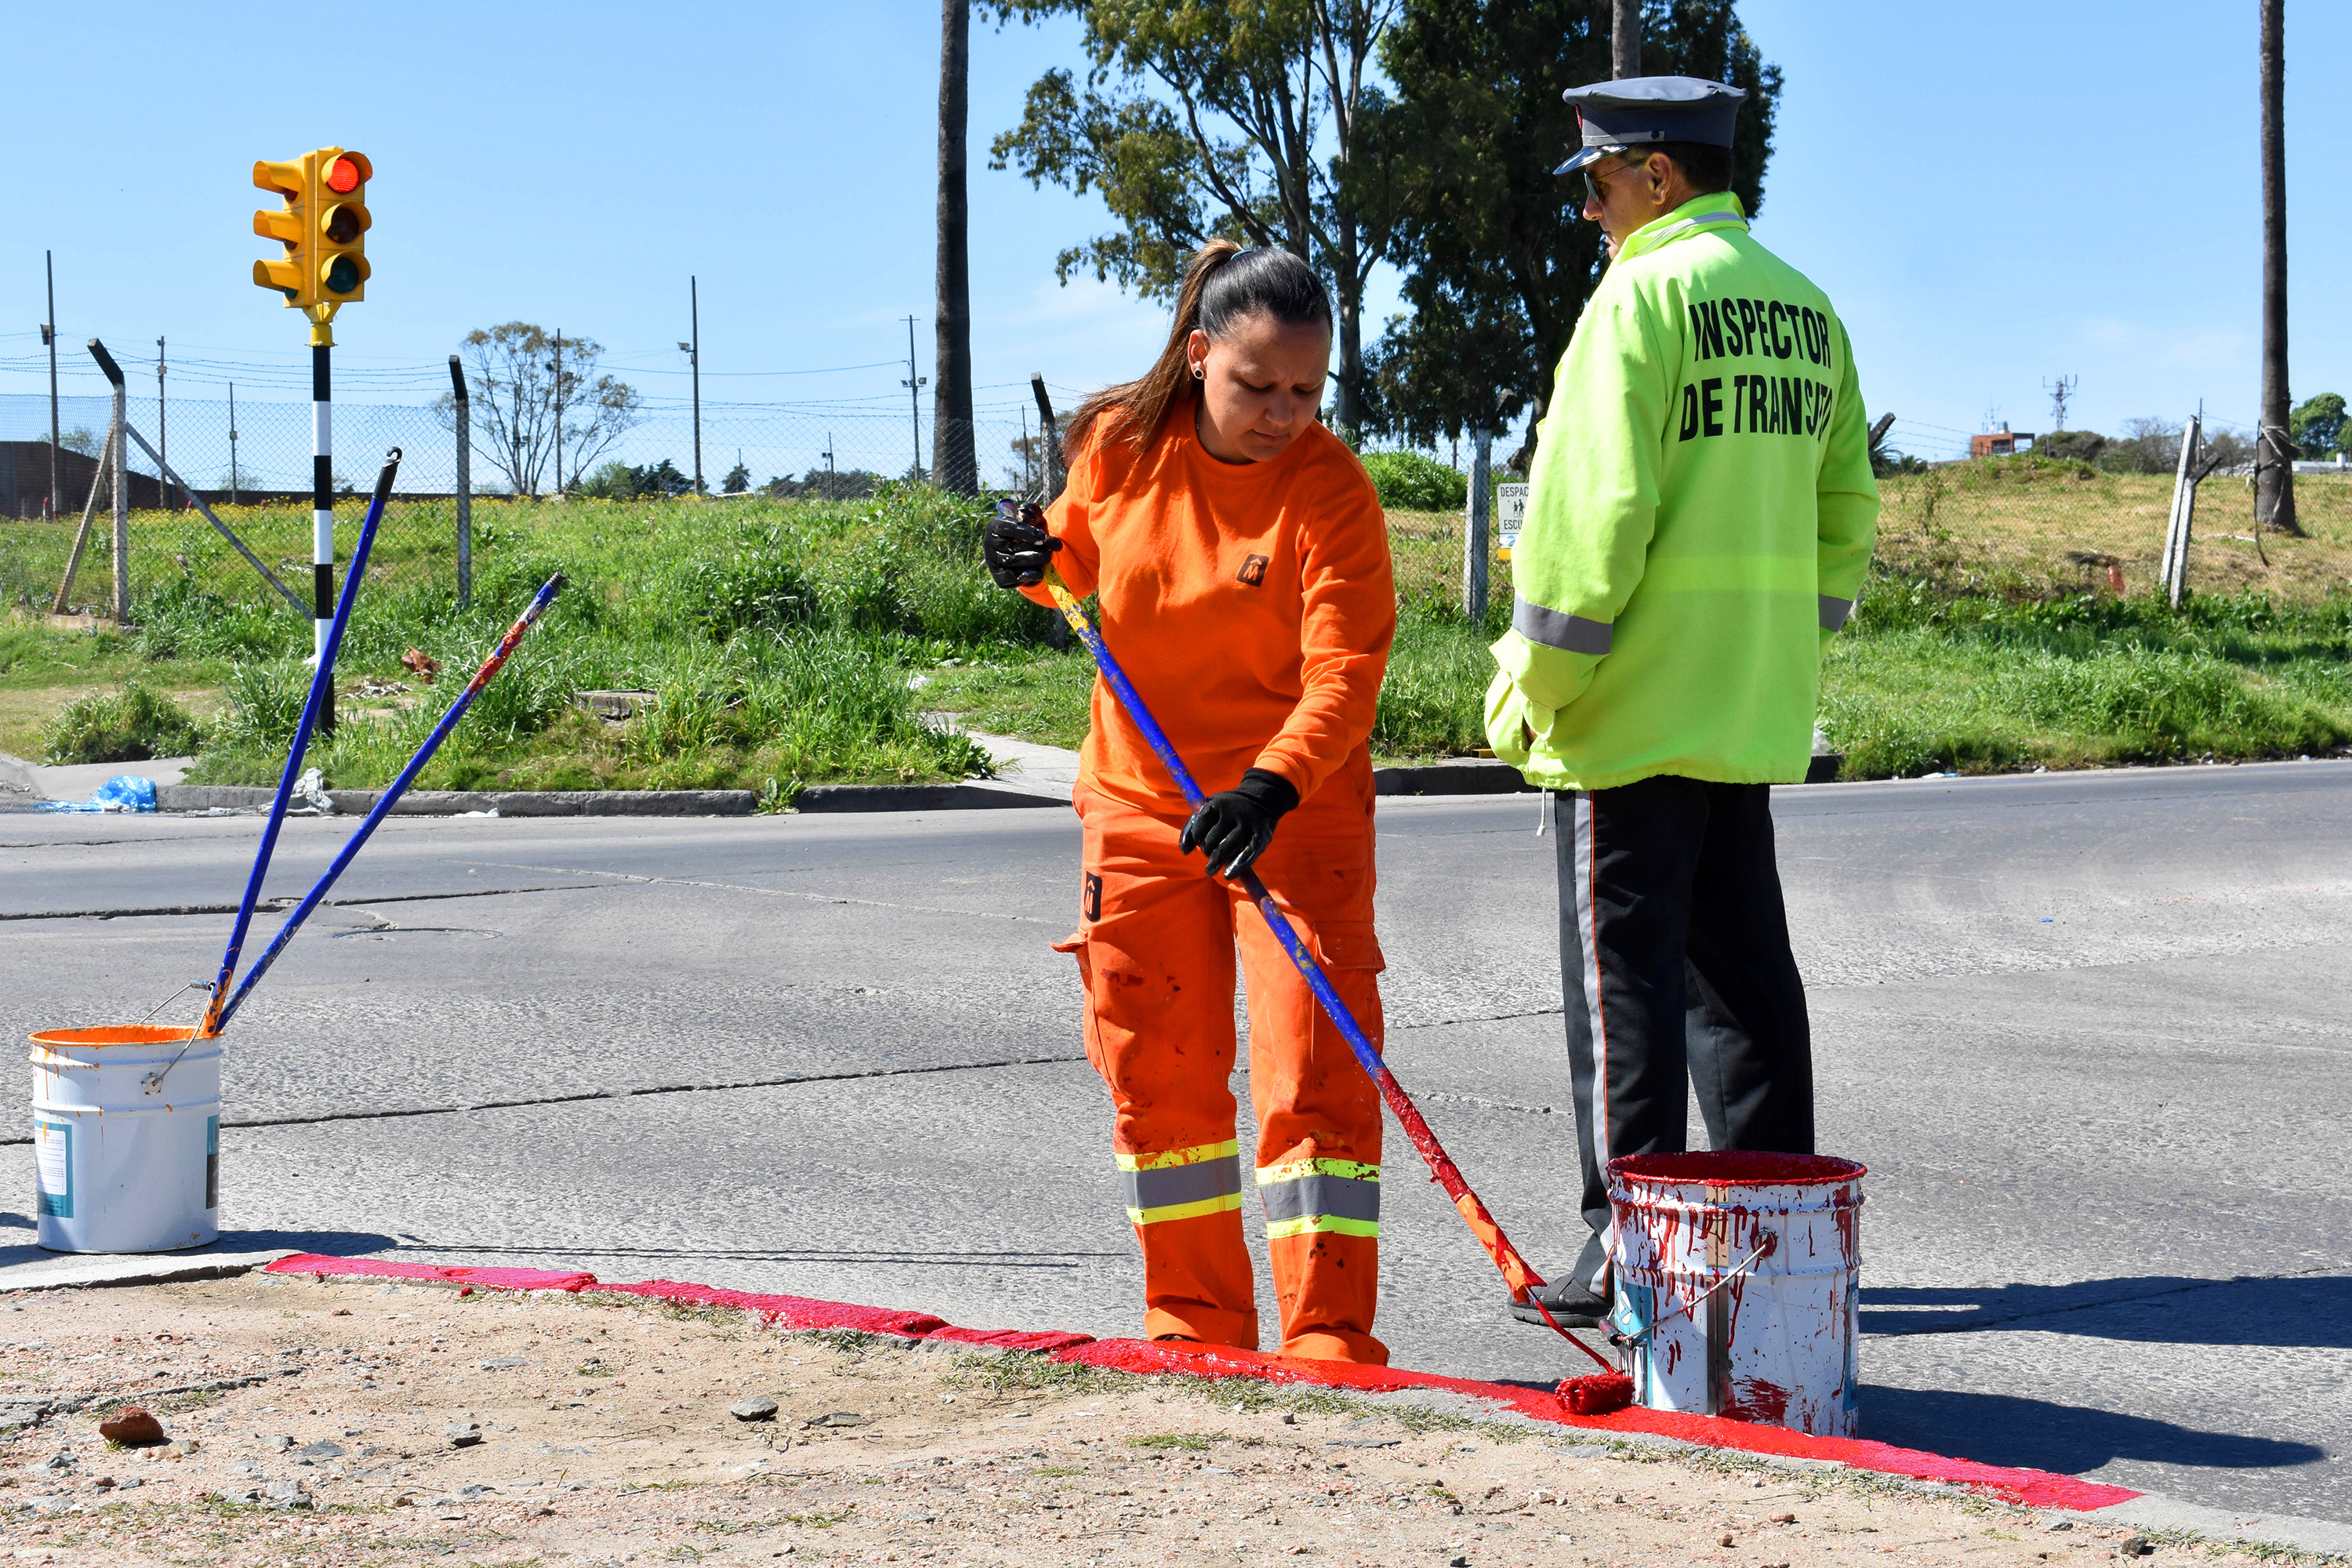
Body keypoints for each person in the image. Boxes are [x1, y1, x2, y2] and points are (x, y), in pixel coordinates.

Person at [1483, 77, 1880, 1327]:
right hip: (1744, 715)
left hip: (1627, 712)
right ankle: (1775, 1234)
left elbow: (1589, 528)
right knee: (1746, 988)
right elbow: (1846, 517)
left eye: (1598, 186)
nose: (1590, 212)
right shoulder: (1807, 313)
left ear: (1657, 175)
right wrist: (1771, 650)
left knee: (1626, 992)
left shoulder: (1638, 301)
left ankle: (1626, 1248)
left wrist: (1533, 687)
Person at [982, 241, 1397, 1364]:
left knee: (1312, 1074)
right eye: (1256, 386)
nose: (1281, 413)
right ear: (1200, 353)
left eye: (1306, 390)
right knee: (1159, 1072)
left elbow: (1345, 673)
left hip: (1289, 810)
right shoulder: (1120, 444)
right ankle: (1196, 1327)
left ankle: (1326, 1337)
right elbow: (1070, 566)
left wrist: (1270, 784)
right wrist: (1024, 555)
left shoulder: (1333, 491)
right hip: (1140, 801)